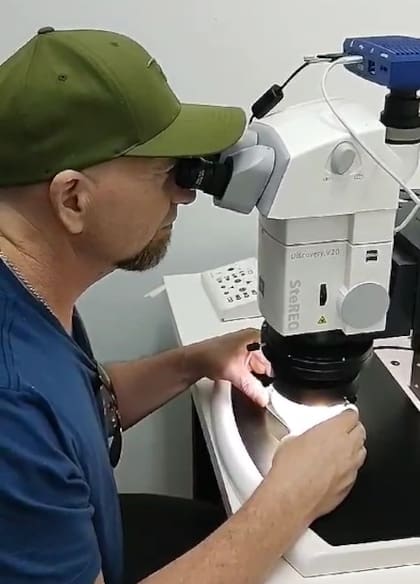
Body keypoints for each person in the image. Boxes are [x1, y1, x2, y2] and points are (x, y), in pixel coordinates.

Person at [0, 26, 367, 584]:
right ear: (72, 198)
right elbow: (35, 418)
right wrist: (291, 499)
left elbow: (78, 409)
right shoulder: (12, 404)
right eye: (167, 172)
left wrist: (194, 360)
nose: (186, 193)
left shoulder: (30, 296)